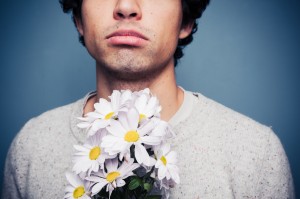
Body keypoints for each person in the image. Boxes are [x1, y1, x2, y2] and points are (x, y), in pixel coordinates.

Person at [2, 0, 295, 198]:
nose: (126, 7)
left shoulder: (256, 151)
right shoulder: (31, 146)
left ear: (186, 20)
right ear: (79, 18)